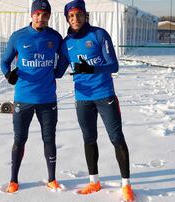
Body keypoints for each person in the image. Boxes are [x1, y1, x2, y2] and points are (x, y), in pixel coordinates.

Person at [55, 0, 135, 201]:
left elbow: (113, 66)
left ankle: (126, 185)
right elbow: (57, 72)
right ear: (67, 19)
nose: (75, 19)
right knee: (89, 139)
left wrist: (91, 69)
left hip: (105, 95)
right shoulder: (66, 44)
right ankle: (94, 181)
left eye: (78, 14)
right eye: (71, 16)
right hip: (82, 99)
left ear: (85, 15)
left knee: (116, 138)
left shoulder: (99, 34)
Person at [1, 0, 63, 193]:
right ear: (31, 15)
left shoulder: (55, 37)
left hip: (47, 99)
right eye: (37, 14)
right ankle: (13, 180)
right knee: (20, 139)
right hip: (23, 98)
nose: (40, 18)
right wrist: (8, 74)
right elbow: (5, 61)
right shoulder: (18, 36)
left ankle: (52, 179)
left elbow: (66, 56)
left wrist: (58, 72)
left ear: (49, 17)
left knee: (49, 139)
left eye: (45, 15)